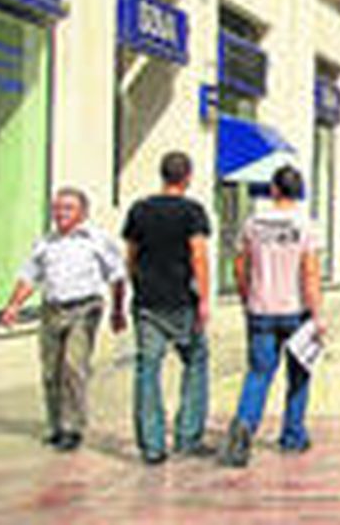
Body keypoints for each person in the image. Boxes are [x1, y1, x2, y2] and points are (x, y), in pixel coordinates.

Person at [0, 189, 127, 452]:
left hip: (85, 308)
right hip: (52, 309)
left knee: (73, 367)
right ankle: (55, 424)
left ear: (82, 212)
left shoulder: (96, 240)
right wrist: (13, 306)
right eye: (57, 208)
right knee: (50, 370)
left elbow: (117, 275)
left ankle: (73, 427)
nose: (61, 214)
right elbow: (29, 276)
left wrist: (117, 310)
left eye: (68, 208)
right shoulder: (46, 242)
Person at [219, 166, 324, 467]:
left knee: (259, 373)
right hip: (296, 311)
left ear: (274, 190)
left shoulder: (253, 223)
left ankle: (244, 426)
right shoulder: (306, 225)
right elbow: (310, 272)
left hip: (260, 309)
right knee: (299, 374)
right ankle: (293, 434)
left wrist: (245, 297)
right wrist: (318, 315)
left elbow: (240, 265)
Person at [122, 151, 214, 464]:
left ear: (163, 175)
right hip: (182, 300)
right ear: (187, 176)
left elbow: (131, 255)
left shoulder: (139, 210)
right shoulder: (193, 212)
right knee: (196, 362)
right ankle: (188, 435)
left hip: (148, 301)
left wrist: (135, 286)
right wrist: (203, 298)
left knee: (148, 369)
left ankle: (152, 444)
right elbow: (198, 256)